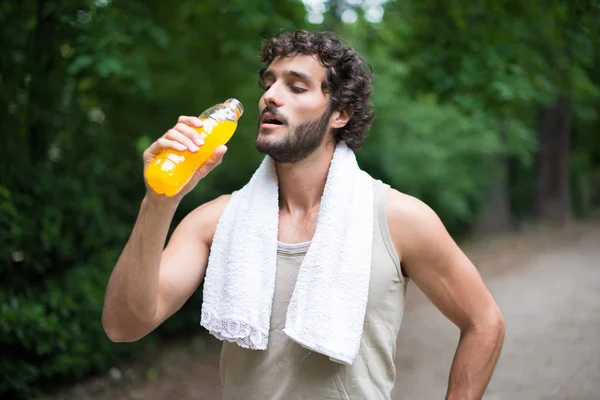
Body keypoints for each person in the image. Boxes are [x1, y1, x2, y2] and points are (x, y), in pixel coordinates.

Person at [102, 30, 505, 399]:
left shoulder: (398, 219)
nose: (270, 96)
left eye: (295, 86)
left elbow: (484, 323)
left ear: (340, 114)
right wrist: (158, 201)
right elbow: (124, 325)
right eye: (269, 83)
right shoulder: (215, 221)